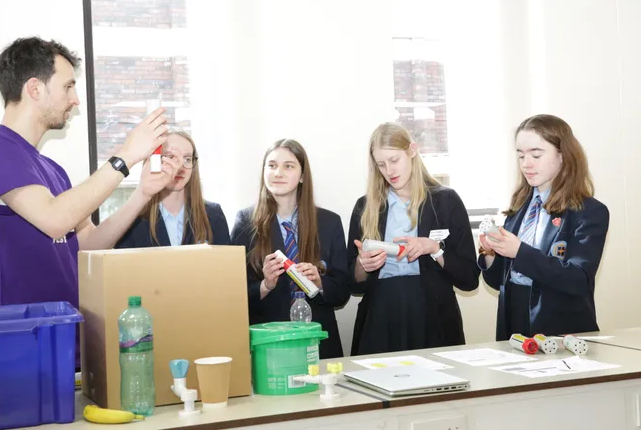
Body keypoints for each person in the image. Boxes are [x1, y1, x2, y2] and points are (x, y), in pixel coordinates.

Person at [0, 36, 180, 311]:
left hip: (61, 336)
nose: (75, 100)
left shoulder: (53, 171)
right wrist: (125, 156)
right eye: (68, 87)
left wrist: (142, 193)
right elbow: (55, 219)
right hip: (14, 341)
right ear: (35, 88)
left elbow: (88, 245)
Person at [349, 122, 479, 356]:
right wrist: (362, 265)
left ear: (412, 150)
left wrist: (434, 249)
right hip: (380, 314)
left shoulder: (446, 201)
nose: (389, 170)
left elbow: (469, 279)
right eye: (381, 164)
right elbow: (352, 283)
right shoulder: (365, 206)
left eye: (394, 160)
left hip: (432, 315)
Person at [478, 114, 609, 341]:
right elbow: (500, 281)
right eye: (521, 156)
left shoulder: (589, 212)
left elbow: (578, 280)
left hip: (560, 327)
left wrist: (519, 251)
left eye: (536, 155)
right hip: (514, 324)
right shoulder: (519, 207)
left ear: (562, 155)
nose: (526, 164)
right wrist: (491, 254)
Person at [230, 139, 350, 359]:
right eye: (272, 165)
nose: (278, 173)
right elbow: (233, 294)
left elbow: (343, 290)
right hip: (270, 340)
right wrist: (265, 285)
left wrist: (320, 282)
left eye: (289, 166)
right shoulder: (245, 222)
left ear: (303, 175)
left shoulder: (329, 222)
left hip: (319, 339)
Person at [116, 130, 230, 248]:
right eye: (170, 157)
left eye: (187, 159)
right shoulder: (133, 219)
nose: (180, 167)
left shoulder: (213, 215)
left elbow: (227, 264)